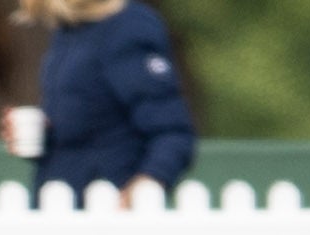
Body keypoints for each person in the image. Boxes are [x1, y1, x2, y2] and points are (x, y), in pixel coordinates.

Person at [10, 0, 192, 206]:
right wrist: (43, 136)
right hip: (60, 204)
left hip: (109, 209)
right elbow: (85, 128)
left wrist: (146, 184)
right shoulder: (68, 31)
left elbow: (172, 133)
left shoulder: (128, 28)